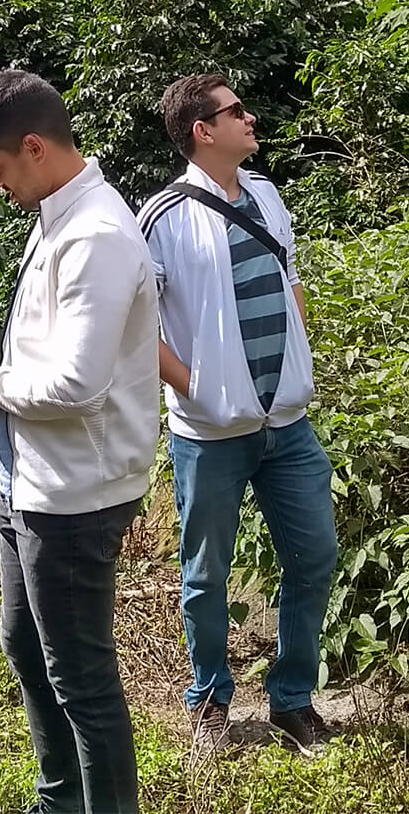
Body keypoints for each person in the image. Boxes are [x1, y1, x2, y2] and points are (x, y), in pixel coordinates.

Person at [0, 69, 159, 814]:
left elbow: (78, 386)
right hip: (26, 481)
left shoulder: (96, 234)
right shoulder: (59, 215)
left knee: (83, 680)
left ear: (33, 147)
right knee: (26, 649)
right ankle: (58, 800)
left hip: (72, 499)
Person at [136, 74, 339, 758]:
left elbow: (290, 283)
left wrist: (299, 362)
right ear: (203, 130)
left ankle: (292, 701)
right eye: (237, 111)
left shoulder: (267, 196)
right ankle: (211, 702)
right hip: (210, 434)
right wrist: (195, 384)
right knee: (205, 574)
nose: (252, 119)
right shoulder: (161, 216)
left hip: (288, 424)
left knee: (314, 557)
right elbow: (133, 323)